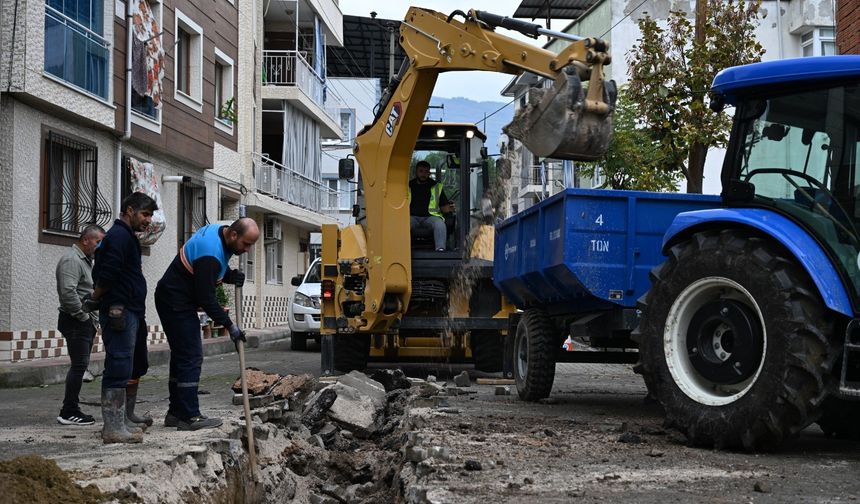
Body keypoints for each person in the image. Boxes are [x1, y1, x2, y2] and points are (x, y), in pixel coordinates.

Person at [155, 218, 260, 431]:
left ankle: (175, 413)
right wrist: (230, 326)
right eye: (246, 244)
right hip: (175, 301)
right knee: (191, 357)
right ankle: (189, 417)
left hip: (173, 297)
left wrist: (230, 275)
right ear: (233, 235)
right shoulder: (210, 253)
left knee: (182, 357)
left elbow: (208, 272)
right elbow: (206, 296)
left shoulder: (218, 232)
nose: (247, 250)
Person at [86, 192, 157, 444]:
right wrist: (97, 297)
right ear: (129, 210)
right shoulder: (117, 237)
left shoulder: (127, 237)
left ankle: (124, 419)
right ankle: (113, 428)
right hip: (119, 310)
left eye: (150, 215)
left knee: (134, 364)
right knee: (118, 365)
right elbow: (108, 273)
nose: (148, 220)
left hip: (132, 310)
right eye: (145, 214)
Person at [55, 224, 105, 426]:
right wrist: (83, 317)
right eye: (98, 241)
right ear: (86, 240)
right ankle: (69, 411)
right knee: (79, 367)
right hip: (75, 321)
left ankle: (70, 409)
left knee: (80, 366)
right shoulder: (71, 260)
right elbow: (68, 292)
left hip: (82, 320)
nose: (100, 246)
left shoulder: (85, 261)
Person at [409, 160, 455, 251]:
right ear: (416, 172)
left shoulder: (436, 186)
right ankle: (402, 251)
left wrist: (450, 208)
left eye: (426, 172)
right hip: (411, 216)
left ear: (429, 173)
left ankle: (440, 250)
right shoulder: (408, 185)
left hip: (430, 217)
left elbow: (444, 207)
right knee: (403, 224)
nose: (423, 174)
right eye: (421, 171)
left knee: (440, 224)